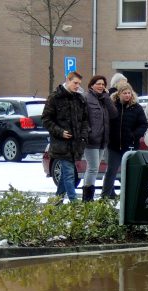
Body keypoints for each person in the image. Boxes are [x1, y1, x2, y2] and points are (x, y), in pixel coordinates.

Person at [42, 71, 89, 202]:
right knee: (69, 174)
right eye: (75, 83)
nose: (77, 86)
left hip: (76, 144)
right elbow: (46, 119)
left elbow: (85, 120)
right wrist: (60, 132)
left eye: (79, 83)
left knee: (65, 175)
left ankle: (57, 202)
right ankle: (75, 204)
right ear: (67, 80)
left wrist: (84, 136)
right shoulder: (55, 97)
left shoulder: (80, 99)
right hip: (60, 144)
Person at [102, 82, 148, 199]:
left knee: (129, 172)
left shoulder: (136, 108)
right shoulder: (113, 106)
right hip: (114, 145)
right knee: (111, 171)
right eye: (124, 93)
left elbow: (143, 124)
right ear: (119, 94)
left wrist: (134, 135)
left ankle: (130, 195)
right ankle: (105, 195)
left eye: (129, 93)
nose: (127, 95)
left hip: (130, 145)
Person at [83, 75, 118, 202]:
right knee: (93, 168)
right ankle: (87, 198)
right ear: (91, 85)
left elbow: (114, 114)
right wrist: (88, 133)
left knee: (93, 168)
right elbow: (82, 118)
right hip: (91, 140)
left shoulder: (104, 98)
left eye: (103, 84)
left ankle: (87, 196)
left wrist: (107, 97)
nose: (101, 86)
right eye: (98, 84)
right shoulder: (86, 98)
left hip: (103, 140)